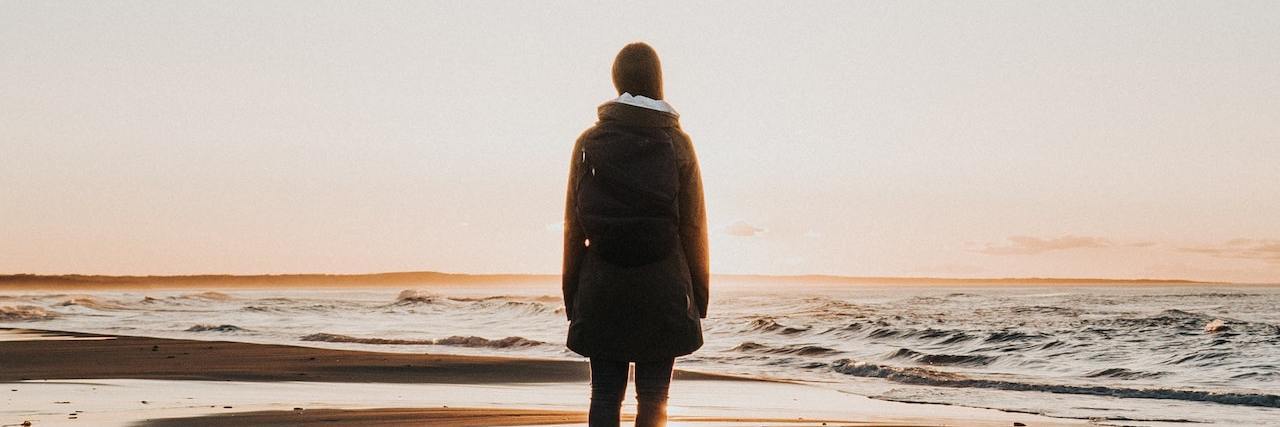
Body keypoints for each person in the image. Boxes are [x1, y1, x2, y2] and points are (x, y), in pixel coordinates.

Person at [561, 42, 709, 427]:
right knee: (655, 397)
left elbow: (573, 229)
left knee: (605, 395)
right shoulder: (678, 143)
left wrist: (572, 296)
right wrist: (698, 298)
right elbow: (694, 226)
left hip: (601, 288)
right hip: (664, 289)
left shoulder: (588, 143)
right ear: (658, 79)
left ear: (617, 80)